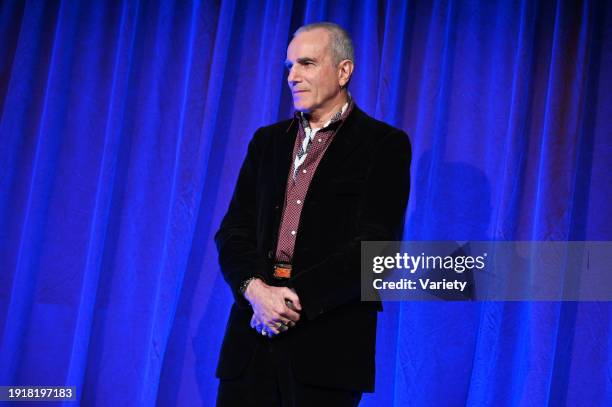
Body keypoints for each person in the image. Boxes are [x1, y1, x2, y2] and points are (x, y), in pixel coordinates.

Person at [215, 22, 411, 406]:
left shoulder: (383, 145)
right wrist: (255, 291)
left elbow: (376, 251)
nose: (293, 77)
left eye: (306, 64)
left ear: (343, 71)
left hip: (327, 348)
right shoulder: (266, 142)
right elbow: (232, 231)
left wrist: (284, 303)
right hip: (251, 339)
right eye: (289, 66)